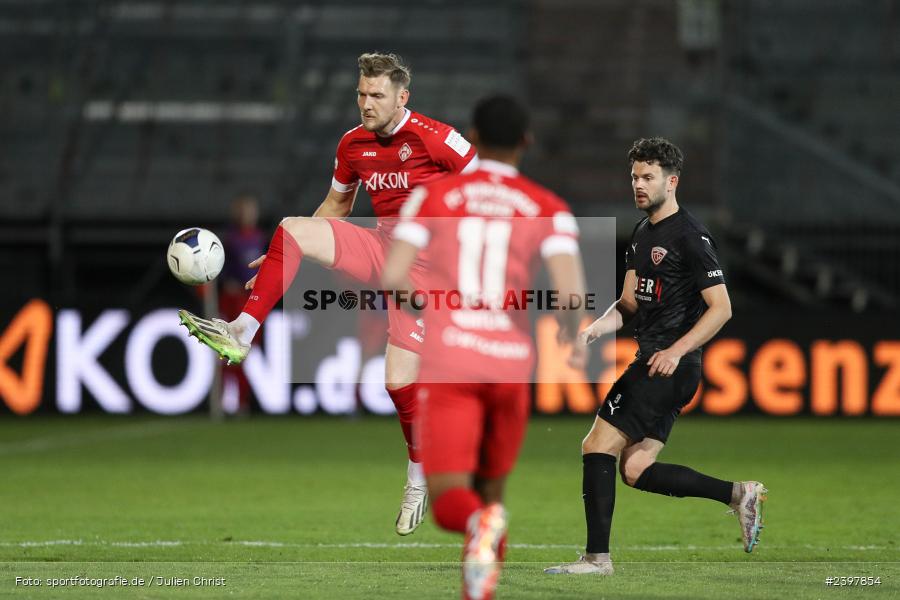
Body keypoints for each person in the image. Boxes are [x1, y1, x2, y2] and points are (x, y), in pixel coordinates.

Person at [177, 52, 478, 535]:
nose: (366, 103)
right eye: (361, 93)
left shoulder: (436, 138)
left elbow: (491, 189)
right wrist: (284, 255)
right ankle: (241, 331)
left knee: (398, 383)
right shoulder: (353, 144)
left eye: (376, 95)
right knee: (293, 229)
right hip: (383, 248)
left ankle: (419, 472)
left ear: (403, 97)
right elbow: (338, 204)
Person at [382, 95, 588, 600]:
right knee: (493, 496)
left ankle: (477, 525)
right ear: (527, 141)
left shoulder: (433, 198)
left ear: (472, 137)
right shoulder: (549, 208)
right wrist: (568, 333)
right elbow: (571, 294)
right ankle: (479, 582)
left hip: (452, 359)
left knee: (455, 498)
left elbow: (392, 274)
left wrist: (428, 302)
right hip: (511, 366)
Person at [544, 137, 767, 576]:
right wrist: (594, 328)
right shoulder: (643, 233)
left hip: (669, 364)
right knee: (637, 468)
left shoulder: (690, 236)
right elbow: (628, 304)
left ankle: (596, 559)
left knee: (596, 445)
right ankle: (739, 494)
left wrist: (676, 348)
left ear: (673, 181)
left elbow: (722, 307)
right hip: (660, 362)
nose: (639, 185)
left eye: (648, 178)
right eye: (634, 177)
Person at [218, 194, 266, 414]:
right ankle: (222, 400)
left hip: (252, 299)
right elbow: (225, 269)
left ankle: (242, 402)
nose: (249, 214)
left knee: (245, 352)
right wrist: (227, 282)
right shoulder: (230, 239)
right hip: (234, 298)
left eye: (251, 209)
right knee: (227, 350)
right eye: (245, 209)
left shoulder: (260, 237)